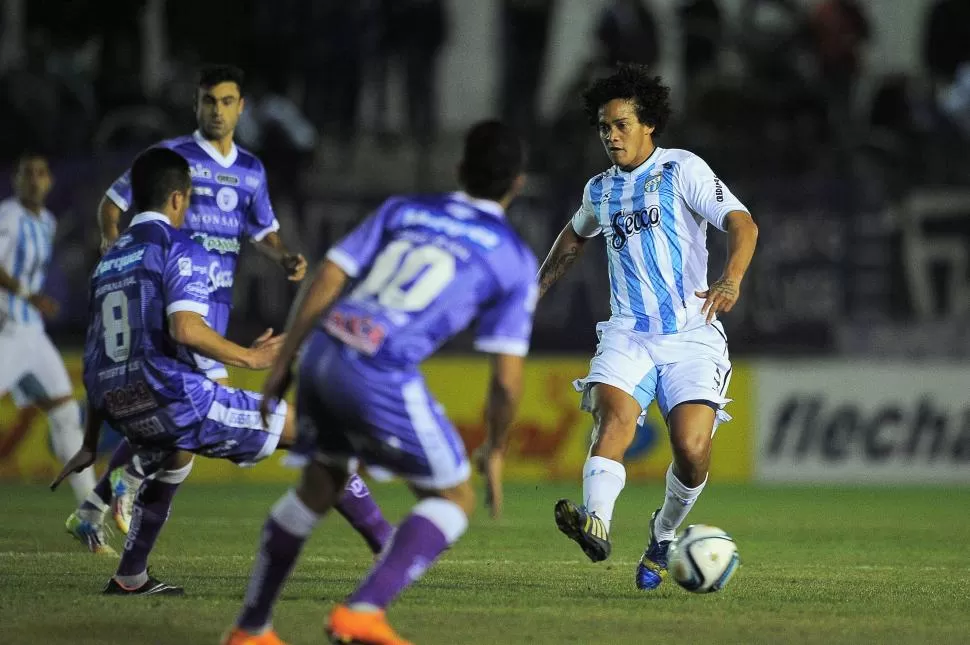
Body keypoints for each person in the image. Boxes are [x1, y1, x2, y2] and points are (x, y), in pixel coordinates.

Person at [223, 121, 537, 645]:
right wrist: (497, 447)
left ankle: (251, 628)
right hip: (379, 366)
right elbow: (507, 382)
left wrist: (285, 361)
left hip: (326, 347)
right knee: (454, 497)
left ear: (459, 171)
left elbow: (330, 274)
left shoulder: (405, 209)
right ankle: (362, 612)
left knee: (320, 484)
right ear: (518, 185)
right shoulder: (514, 258)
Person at [67, 64, 391, 558]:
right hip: (177, 317)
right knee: (190, 426)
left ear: (241, 107)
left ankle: (101, 510)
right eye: (207, 101)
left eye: (225, 101)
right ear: (196, 106)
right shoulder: (171, 159)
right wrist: (120, 256)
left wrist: (283, 255)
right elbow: (112, 207)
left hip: (209, 315)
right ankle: (116, 495)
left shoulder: (251, 171)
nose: (216, 111)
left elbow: (262, 231)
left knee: (177, 440)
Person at [535, 64, 759, 590]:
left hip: (691, 332)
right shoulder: (600, 190)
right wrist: (533, 291)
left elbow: (742, 223)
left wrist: (731, 279)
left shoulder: (681, 170)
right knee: (613, 419)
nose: (610, 135)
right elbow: (573, 238)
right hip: (628, 333)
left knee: (692, 447)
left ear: (648, 124)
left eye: (620, 124)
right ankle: (598, 524)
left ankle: (663, 534)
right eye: (603, 127)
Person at [52, 147, 292, 595]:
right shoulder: (181, 248)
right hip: (170, 399)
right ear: (179, 200)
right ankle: (383, 553)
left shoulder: (107, 261)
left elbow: (93, 359)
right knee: (307, 428)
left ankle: (129, 571)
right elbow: (186, 328)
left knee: (178, 454)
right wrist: (250, 357)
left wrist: (90, 444)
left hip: (118, 405)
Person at [0, 153, 96, 506]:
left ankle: (89, 514)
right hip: (8, 331)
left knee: (66, 414)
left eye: (41, 173)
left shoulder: (48, 222)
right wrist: (29, 295)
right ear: (17, 181)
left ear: (49, 181)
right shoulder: (9, 216)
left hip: (33, 334)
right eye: (27, 174)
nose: (34, 180)